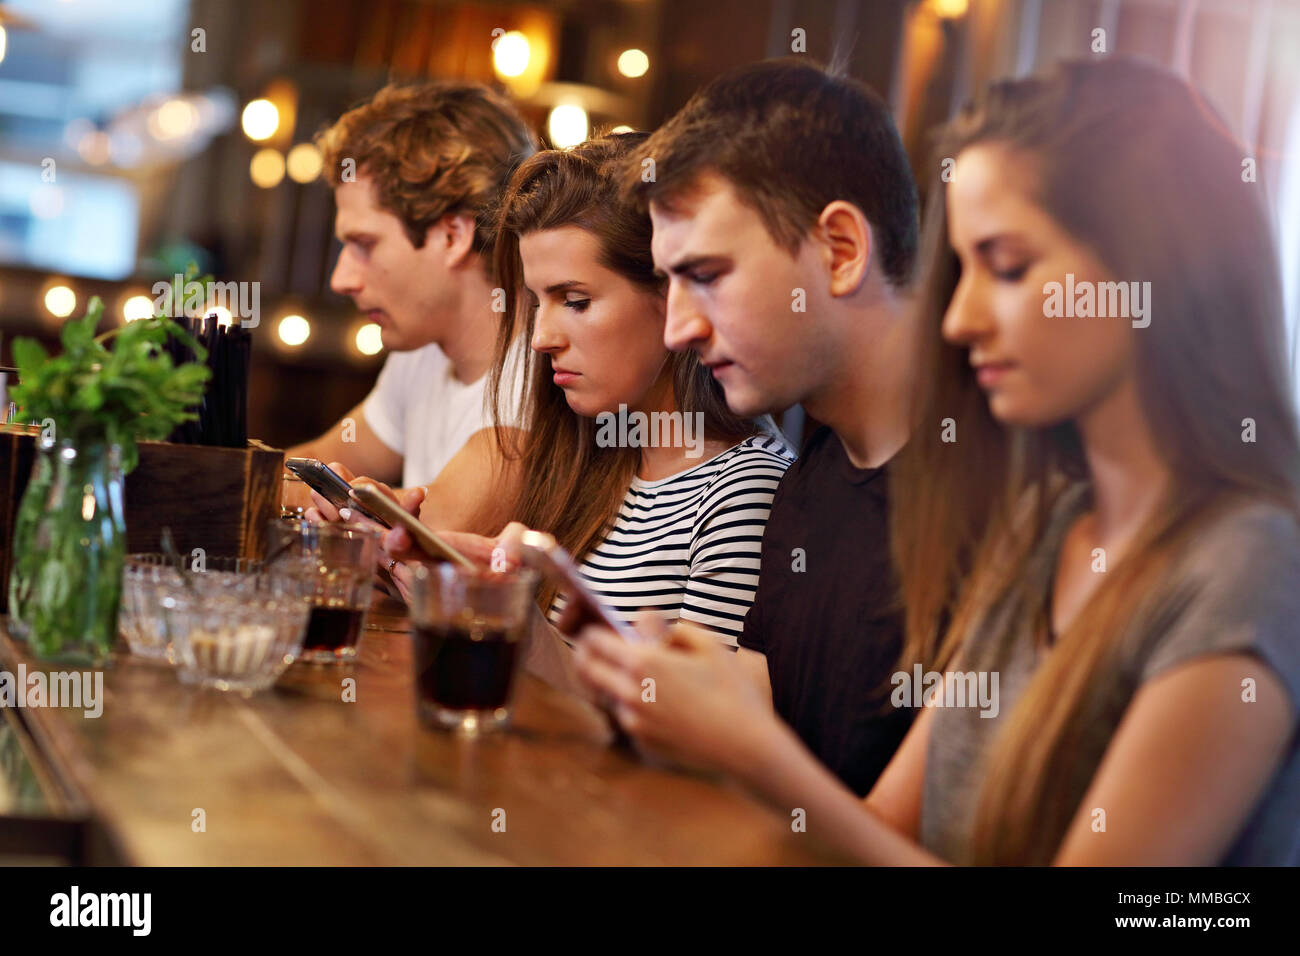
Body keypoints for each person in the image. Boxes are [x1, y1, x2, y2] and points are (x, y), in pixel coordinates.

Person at [577, 57, 1300, 866]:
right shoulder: (1050, 526)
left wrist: (752, 751)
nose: (957, 319)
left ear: (1145, 273)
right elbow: (882, 830)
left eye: (1011, 268)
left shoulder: (1249, 563)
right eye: (964, 270)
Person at [607, 58, 923, 794]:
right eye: (670, 282)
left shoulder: (996, 496)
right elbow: (769, 718)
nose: (678, 328)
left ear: (841, 251)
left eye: (708, 276)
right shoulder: (806, 470)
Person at [367, 133, 795, 652]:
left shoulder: (743, 494)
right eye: (536, 302)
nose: (542, 337)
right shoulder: (585, 457)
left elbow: (682, 724)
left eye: (574, 300)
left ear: (670, 297)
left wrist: (509, 627)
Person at [286, 81, 537, 530]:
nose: (341, 280)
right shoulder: (421, 354)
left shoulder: (540, 375)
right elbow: (309, 469)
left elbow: (425, 538)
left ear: (451, 237)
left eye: (364, 244)